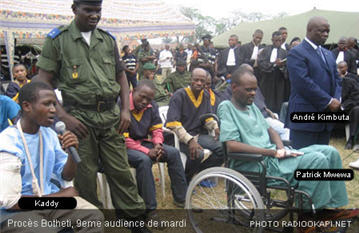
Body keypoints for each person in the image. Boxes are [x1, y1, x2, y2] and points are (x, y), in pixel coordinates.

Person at [34, 1, 148, 231]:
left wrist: (125, 109)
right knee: (85, 176)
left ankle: (134, 220)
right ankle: (90, 223)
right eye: (89, 10)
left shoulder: (107, 39)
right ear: (75, 9)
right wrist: (64, 117)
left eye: (98, 11)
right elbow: (42, 82)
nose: (95, 15)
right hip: (79, 119)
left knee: (121, 171)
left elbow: (121, 76)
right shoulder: (58, 40)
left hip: (110, 117)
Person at [218, 69, 353, 229]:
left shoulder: (252, 107)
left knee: (330, 152)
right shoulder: (226, 107)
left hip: (273, 158)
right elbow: (231, 145)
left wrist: (281, 149)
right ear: (234, 87)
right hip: (256, 164)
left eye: (255, 89)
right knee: (317, 160)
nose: (253, 93)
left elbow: (272, 131)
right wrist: (272, 152)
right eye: (249, 89)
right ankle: (306, 217)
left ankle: (332, 208)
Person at [0, 82, 103, 233]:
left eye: (54, 104)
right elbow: (10, 201)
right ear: (27, 106)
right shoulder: (8, 142)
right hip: (15, 212)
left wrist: (72, 153)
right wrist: (60, 196)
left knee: (93, 216)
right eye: (47, 104)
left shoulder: (49, 134)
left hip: (49, 202)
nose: (53, 110)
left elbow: (66, 174)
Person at [125, 80, 187, 212]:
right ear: (134, 90)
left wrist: (158, 144)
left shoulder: (151, 106)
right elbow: (123, 139)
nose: (145, 101)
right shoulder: (122, 105)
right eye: (142, 96)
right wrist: (147, 151)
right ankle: (150, 209)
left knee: (173, 153)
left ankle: (181, 198)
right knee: (144, 160)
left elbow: (156, 130)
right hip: (123, 146)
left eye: (149, 99)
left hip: (142, 143)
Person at [287, 16, 342, 149]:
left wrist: (337, 98)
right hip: (305, 119)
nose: (326, 34)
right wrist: (329, 101)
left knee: (322, 159)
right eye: (322, 31)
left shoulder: (328, 54)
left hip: (325, 120)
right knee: (304, 162)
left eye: (328, 31)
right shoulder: (297, 53)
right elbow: (303, 83)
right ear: (309, 30)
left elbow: (337, 80)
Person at [165, 68, 224, 182]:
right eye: (196, 80)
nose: (199, 83)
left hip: (197, 135)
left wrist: (215, 127)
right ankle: (185, 180)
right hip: (178, 138)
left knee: (222, 148)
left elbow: (207, 118)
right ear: (190, 79)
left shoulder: (205, 95)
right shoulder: (179, 95)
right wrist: (190, 140)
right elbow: (173, 124)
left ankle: (200, 174)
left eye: (202, 81)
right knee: (197, 153)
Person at [258, 31, 289, 114]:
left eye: (280, 40)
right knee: (266, 101)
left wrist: (281, 66)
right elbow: (261, 63)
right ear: (272, 40)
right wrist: (274, 64)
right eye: (276, 40)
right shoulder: (265, 50)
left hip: (279, 81)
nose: (278, 42)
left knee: (278, 102)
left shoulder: (285, 52)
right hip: (267, 80)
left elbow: (287, 69)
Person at [338, 61, 359, 150]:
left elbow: (355, 97)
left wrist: (342, 106)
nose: (339, 70)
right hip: (328, 106)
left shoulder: (350, 81)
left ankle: (352, 139)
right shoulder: (326, 81)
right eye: (338, 68)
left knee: (357, 110)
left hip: (345, 108)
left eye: (341, 68)